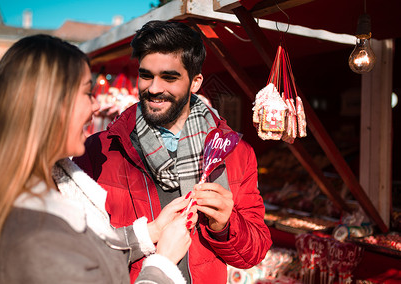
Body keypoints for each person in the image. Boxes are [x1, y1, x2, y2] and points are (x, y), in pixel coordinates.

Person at [0, 34, 195, 284]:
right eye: (87, 92)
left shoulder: (44, 186)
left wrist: (151, 230)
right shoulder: (36, 241)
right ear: (49, 105)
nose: (95, 106)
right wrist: (163, 263)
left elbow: (89, 254)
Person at [73, 20, 273, 284]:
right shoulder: (99, 150)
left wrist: (225, 225)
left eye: (169, 77)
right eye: (146, 75)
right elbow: (77, 252)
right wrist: (150, 234)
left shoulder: (235, 153)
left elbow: (253, 254)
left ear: (195, 82)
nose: (154, 88)